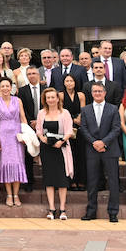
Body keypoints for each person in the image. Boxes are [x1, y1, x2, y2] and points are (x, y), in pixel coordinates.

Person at [79, 81, 121, 223]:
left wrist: (103, 142)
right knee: (92, 182)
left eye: (100, 91)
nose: (97, 93)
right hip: (92, 150)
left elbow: (116, 128)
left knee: (113, 182)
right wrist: (94, 142)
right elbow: (83, 129)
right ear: (91, 93)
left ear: (104, 93)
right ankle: (91, 211)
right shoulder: (85, 110)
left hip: (110, 149)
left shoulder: (113, 108)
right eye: (95, 91)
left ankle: (113, 212)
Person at [34, 86, 75, 220]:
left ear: (58, 99)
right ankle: (51, 209)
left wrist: (61, 141)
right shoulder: (41, 113)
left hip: (60, 149)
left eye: (53, 97)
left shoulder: (65, 113)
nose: (51, 100)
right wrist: (42, 139)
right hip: (47, 149)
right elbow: (38, 130)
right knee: (49, 179)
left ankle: (62, 209)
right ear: (45, 100)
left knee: (62, 180)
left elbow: (69, 131)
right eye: (48, 98)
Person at [0, 82, 31, 207]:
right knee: (5, 163)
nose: (5, 88)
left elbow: (23, 118)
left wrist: (26, 134)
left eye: (7, 86)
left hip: (17, 134)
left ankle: (16, 194)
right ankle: (9, 194)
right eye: (2, 86)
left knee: (17, 162)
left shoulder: (17, 100)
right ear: (0, 88)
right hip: (3, 134)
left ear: (11, 87)